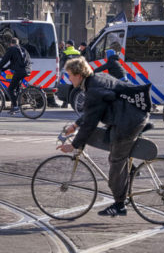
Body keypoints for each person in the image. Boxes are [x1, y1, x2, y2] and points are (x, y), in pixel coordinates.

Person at [58, 57, 149, 217]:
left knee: (115, 161)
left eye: (70, 75)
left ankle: (119, 205)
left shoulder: (93, 90)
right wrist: (75, 126)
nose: (69, 78)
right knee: (115, 150)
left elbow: (91, 122)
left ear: (79, 75)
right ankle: (129, 172)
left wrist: (74, 145)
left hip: (129, 121)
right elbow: (92, 112)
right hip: (132, 115)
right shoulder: (97, 79)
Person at [0, 37, 29, 115]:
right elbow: (14, 63)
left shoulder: (12, 49)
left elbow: (4, 60)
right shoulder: (22, 49)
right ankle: (14, 107)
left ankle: (15, 106)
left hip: (19, 71)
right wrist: (5, 69)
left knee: (10, 89)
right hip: (27, 70)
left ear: (11, 44)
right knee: (15, 88)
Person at [56, 40, 81, 108]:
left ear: (68, 45)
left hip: (67, 72)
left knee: (66, 87)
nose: (66, 45)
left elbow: (61, 63)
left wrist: (59, 71)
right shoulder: (78, 52)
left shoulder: (65, 52)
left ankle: (65, 103)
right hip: (77, 72)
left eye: (66, 44)